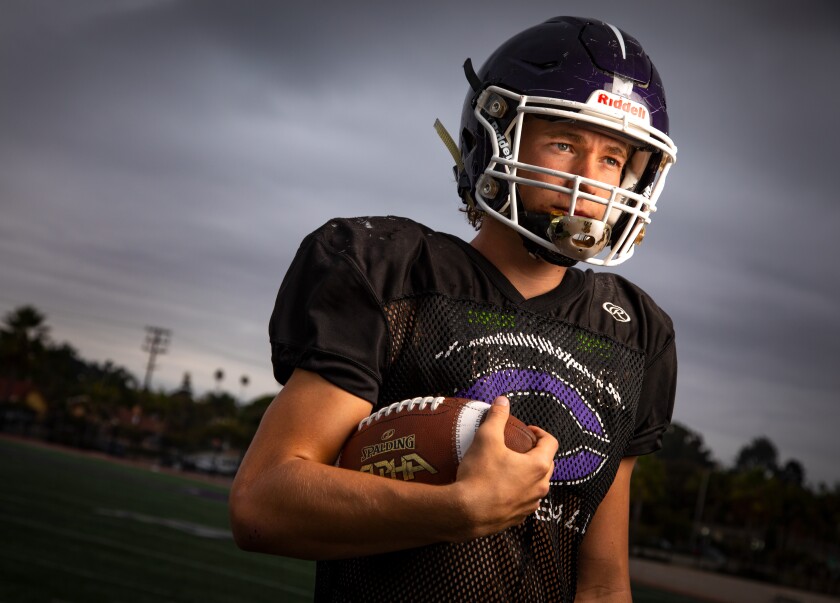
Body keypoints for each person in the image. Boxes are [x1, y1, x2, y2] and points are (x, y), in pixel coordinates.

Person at [230, 15, 678, 602]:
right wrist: (455, 510)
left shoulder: (638, 334)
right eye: (565, 143)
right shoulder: (388, 270)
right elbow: (263, 502)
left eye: (612, 159)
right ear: (496, 136)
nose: (590, 181)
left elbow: (601, 582)